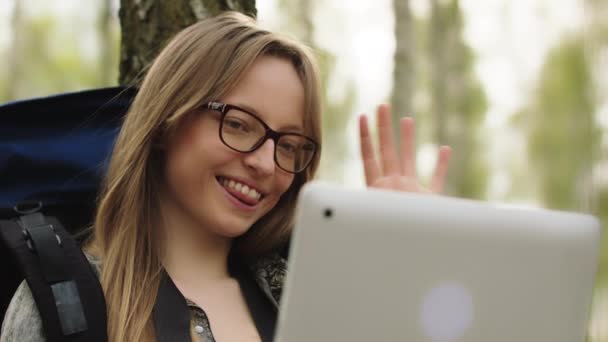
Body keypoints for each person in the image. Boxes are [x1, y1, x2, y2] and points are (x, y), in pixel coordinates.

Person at [0, 11, 451, 342]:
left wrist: (406, 268)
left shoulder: (310, 303)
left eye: (290, 146)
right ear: (165, 122)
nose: (266, 163)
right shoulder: (62, 307)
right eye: (238, 124)